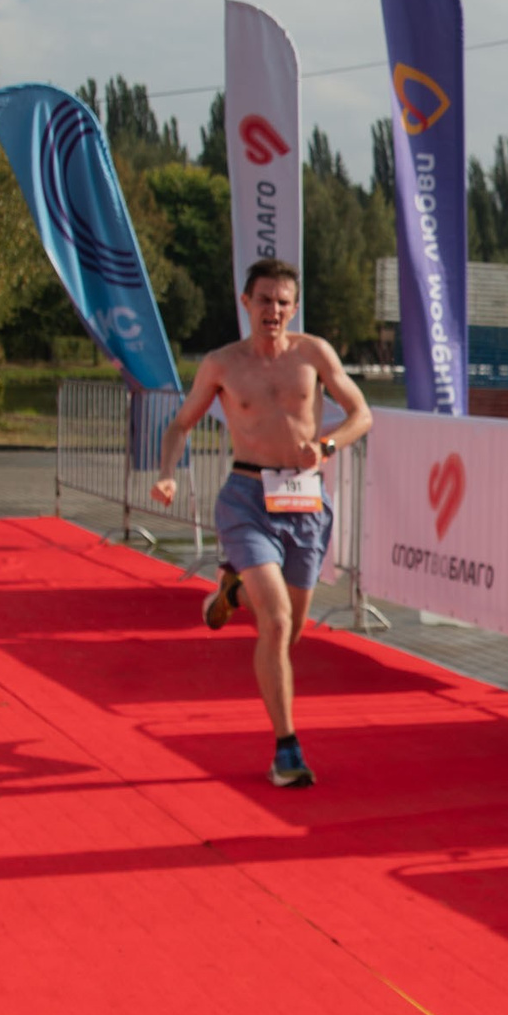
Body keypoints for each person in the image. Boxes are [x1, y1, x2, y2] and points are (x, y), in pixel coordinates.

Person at [152, 258, 372, 788]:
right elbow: (180, 425)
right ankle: (286, 749)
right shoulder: (222, 364)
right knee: (274, 623)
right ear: (246, 303)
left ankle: (232, 592)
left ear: (293, 309)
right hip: (247, 499)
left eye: (282, 302)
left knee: (289, 632)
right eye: (264, 300)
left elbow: (361, 414)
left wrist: (326, 446)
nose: (272, 309)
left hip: (304, 501)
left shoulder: (314, 353)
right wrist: (166, 474)